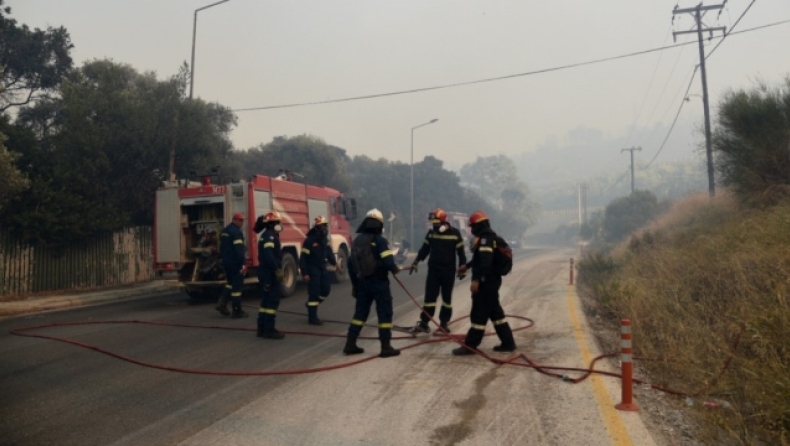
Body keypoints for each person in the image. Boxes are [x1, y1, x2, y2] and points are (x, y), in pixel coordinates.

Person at [453, 210, 516, 355]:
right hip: (492, 281)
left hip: (486, 282)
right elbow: (480, 258)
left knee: (479, 313)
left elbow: (485, 262)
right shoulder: (489, 238)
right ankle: (508, 343)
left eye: (473, 226)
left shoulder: (485, 240)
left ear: (479, 225)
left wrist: (476, 280)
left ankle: (470, 345)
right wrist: (467, 266)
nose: (472, 229)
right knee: (496, 314)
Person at [343, 208, 403, 358]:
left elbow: (351, 266)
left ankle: (350, 343)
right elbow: (388, 261)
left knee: (360, 314)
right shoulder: (380, 240)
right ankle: (385, 347)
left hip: (362, 283)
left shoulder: (357, 241)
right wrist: (394, 269)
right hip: (379, 282)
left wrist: (355, 285)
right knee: (384, 313)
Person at [409, 208, 467, 335]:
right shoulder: (431, 234)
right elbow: (424, 249)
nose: (434, 225)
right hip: (434, 271)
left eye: (436, 223)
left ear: (442, 221)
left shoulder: (455, 233)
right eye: (433, 223)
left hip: (448, 271)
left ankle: (443, 324)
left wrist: (463, 268)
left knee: (446, 299)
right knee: (429, 298)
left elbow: (461, 253)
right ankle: (424, 323)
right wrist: (416, 261)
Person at [300, 215, 337, 325]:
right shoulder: (309, 241)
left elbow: (329, 253)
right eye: (322, 226)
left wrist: (335, 263)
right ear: (317, 227)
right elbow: (303, 258)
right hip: (313, 269)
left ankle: (312, 304)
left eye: (325, 226)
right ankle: (312, 317)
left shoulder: (325, 240)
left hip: (322, 268)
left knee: (326, 289)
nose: (324, 228)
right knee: (314, 293)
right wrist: (305, 273)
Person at [257, 210, 286, 339]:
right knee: (272, 302)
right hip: (270, 273)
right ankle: (269, 330)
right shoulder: (270, 236)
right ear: (273, 224)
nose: (279, 225)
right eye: (277, 223)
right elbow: (269, 255)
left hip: (265, 273)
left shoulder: (267, 235)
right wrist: (276, 270)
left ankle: (261, 329)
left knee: (265, 302)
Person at [216, 212, 249, 318]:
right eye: (240, 220)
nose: (242, 222)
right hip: (235, 263)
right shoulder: (236, 233)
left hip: (227, 262)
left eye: (242, 220)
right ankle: (237, 310)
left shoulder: (225, 230)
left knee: (230, 283)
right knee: (237, 287)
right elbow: (239, 250)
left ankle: (222, 303)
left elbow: (222, 247)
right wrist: (243, 263)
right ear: (235, 220)